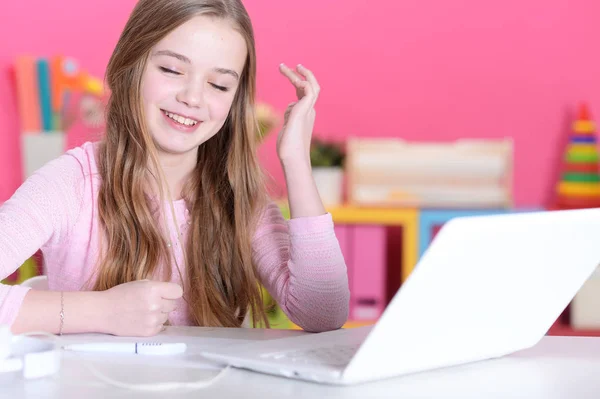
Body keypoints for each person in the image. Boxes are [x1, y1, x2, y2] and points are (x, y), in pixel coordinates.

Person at [0, 0, 349, 336]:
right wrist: (102, 312)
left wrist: (296, 161)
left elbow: (322, 313)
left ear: (235, 99)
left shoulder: (238, 200)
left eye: (219, 85)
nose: (193, 98)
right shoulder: (71, 184)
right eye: (171, 69)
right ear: (130, 63)